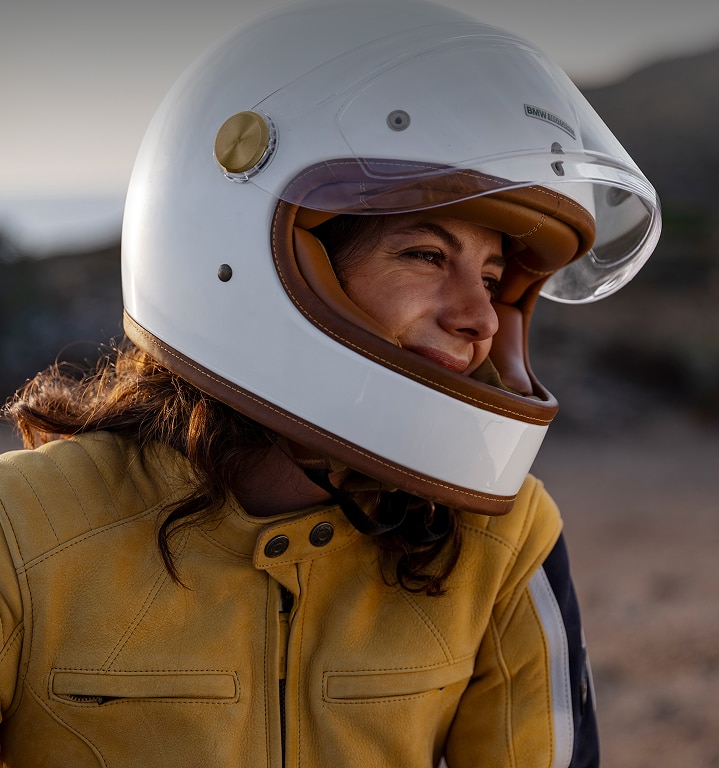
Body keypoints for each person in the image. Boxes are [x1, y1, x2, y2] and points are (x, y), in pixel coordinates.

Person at [0, 0, 660, 765]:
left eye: (491, 275)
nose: (480, 318)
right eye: (424, 255)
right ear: (240, 253)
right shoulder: (23, 530)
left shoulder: (502, 538)